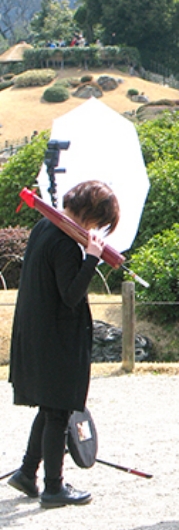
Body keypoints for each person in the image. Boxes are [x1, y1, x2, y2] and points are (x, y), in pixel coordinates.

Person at [8, 180, 119, 509]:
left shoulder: (45, 226)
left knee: (49, 406)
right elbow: (71, 295)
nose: (94, 230)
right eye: (98, 223)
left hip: (38, 332)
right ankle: (53, 487)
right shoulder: (65, 243)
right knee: (58, 410)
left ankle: (28, 472)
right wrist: (92, 259)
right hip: (56, 338)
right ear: (89, 213)